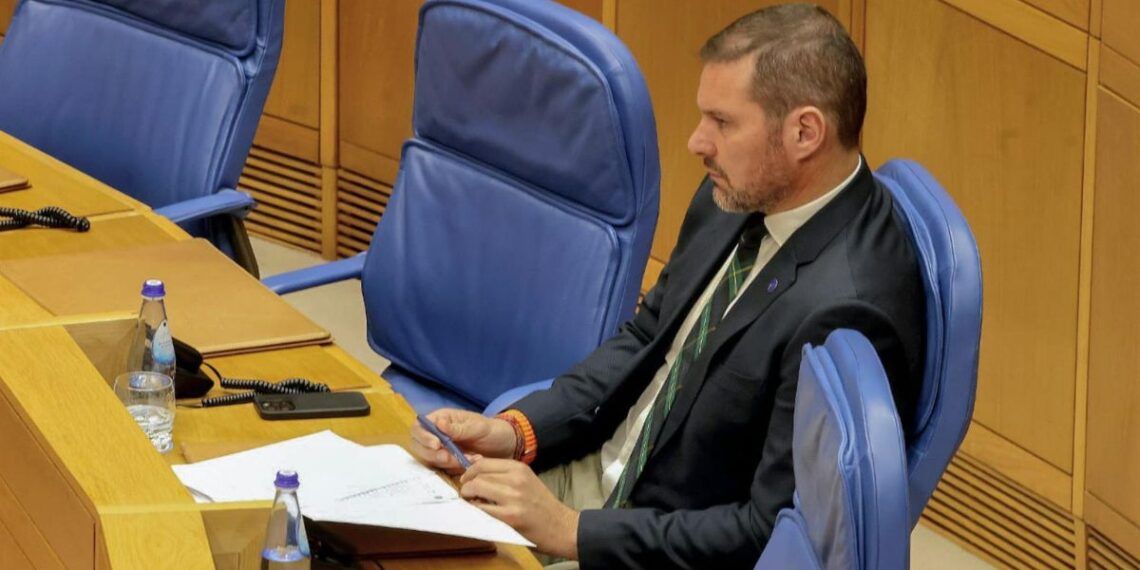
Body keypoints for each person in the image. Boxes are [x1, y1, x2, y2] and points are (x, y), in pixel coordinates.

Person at [410, 4, 925, 568]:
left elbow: (769, 531)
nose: (696, 142)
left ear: (805, 132)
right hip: (588, 483)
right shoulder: (739, 192)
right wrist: (517, 434)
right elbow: (646, 339)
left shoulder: (847, 309)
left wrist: (572, 531)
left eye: (723, 122)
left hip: (649, 542)